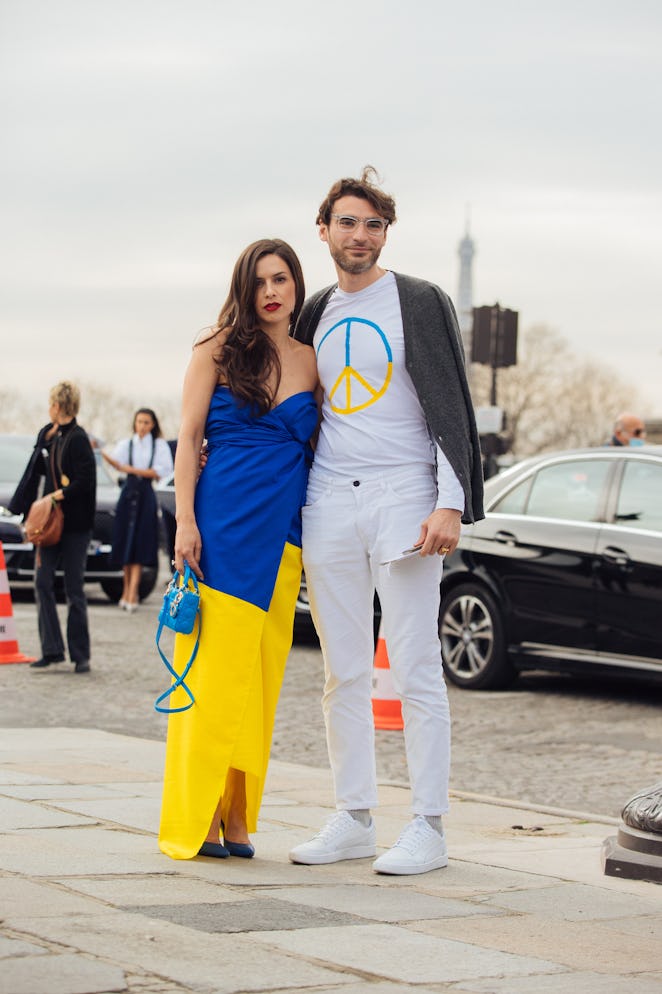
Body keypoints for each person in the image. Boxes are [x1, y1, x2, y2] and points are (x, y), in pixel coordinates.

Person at [288, 167, 484, 876]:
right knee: (341, 670)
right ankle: (354, 815)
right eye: (348, 222)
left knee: (414, 663)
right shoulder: (314, 311)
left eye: (373, 225)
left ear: (384, 234)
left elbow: (453, 403)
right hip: (330, 495)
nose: (360, 236)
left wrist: (450, 501)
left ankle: (428, 824)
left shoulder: (421, 301)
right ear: (324, 230)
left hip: (406, 492)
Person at [158, 239, 318, 861]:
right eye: (260, 282)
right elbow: (189, 437)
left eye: (281, 279)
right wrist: (184, 523)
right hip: (220, 530)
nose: (272, 292)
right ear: (244, 289)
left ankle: (238, 817)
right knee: (212, 677)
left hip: (284, 537)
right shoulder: (215, 347)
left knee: (259, 681)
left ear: (297, 285)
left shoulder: (313, 360)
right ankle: (195, 815)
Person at [9, 381, 96, 674]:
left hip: (75, 526)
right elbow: (34, 471)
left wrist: (58, 495)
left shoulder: (79, 438)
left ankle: (80, 655)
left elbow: (86, 482)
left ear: (58, 406)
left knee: (74, 589)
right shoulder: (50, 436)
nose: (49, 409)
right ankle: (52, 649)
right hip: (49, 526)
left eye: (51, 404)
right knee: (42, 582)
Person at [102, 409, 173, 611]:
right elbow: (117, 464)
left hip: (145, 495)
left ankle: (133, 591)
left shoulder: (158, 446)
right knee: (126, 542)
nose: (142, 426)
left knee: (141, 542)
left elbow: (161, 471)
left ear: (152, 425)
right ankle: (126, 590)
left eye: (146, 422)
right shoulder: (126, 444)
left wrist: (131, 470)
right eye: (139, 422)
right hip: (128, 494)